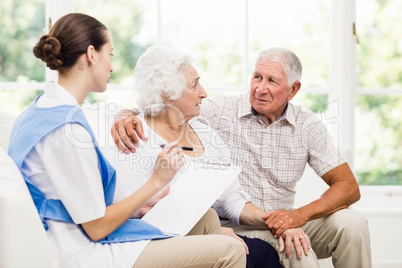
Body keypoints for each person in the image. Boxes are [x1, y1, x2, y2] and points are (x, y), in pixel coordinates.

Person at [7, 13, 247, 268]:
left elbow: (71, 200)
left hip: (73, 231)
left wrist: (135, 208)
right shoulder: (67, 132)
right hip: (83, 251)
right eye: (109, 54)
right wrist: (157, 181)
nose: (111, 66)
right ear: (91, 54)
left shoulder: (40, 110)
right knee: (230, 250)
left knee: (207, 218)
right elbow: (96, 227)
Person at [111, 47, 372, 268]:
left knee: (352, 223)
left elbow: (348, 187)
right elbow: (162, 107)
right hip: (237, 225)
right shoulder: (218, 111)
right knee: (298, 250)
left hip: (277, 218)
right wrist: (124, 115)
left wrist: (298, 216)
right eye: (257, 77)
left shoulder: (307, 125)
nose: (260, 88)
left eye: (272, 81)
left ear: (293, 90)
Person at [106, 45, 289, 268]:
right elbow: (131, 213)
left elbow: (231, 199)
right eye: (194, 85)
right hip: (159, 242)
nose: (204, 92)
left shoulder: (205, 133)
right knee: (250, 254)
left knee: (265, 252)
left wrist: (279, 222)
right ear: (167, 94)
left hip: (205, 229)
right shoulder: (134, 135)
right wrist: (214, 234)